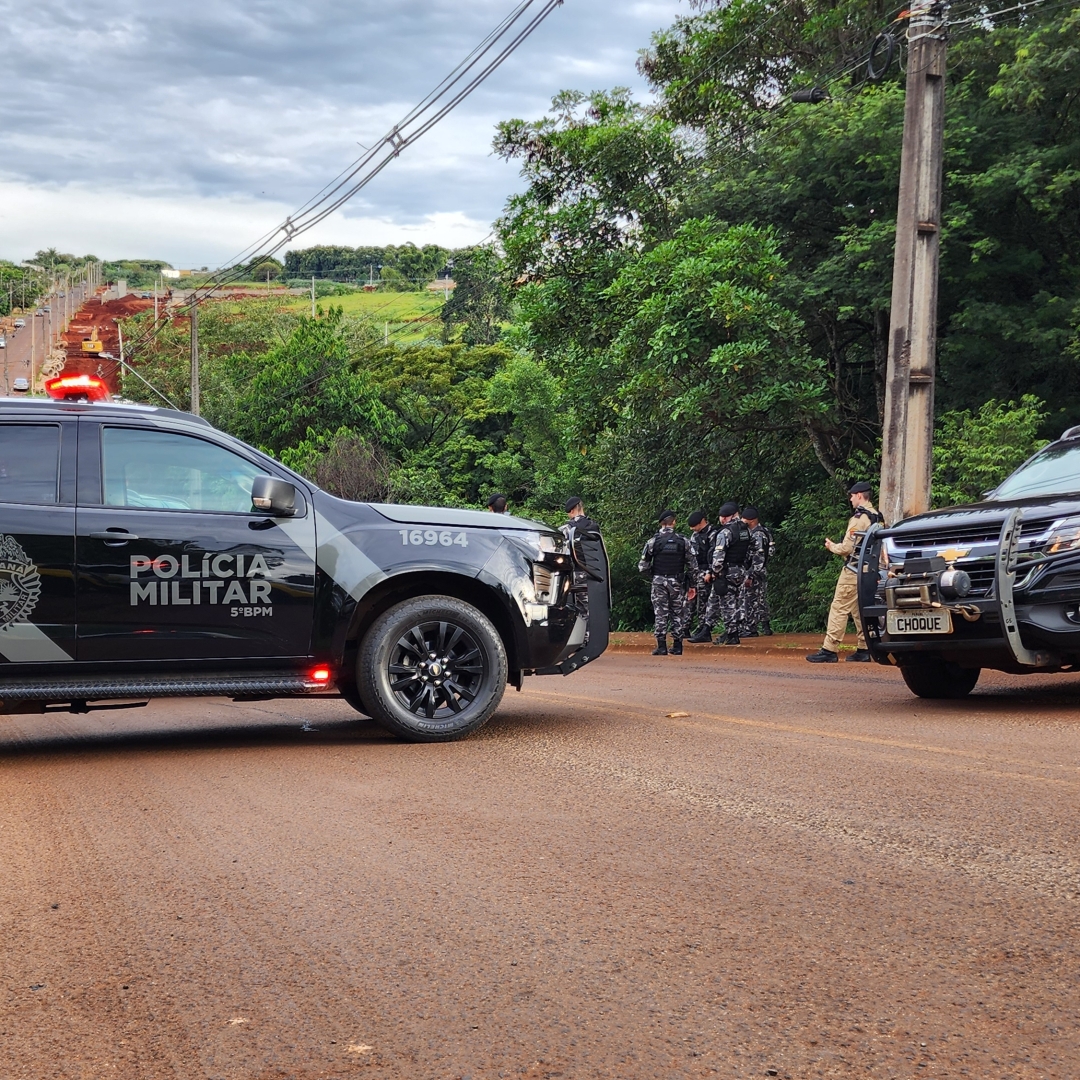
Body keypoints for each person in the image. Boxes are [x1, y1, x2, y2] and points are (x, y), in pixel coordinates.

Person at [806, 480, 882, 663]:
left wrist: (832, 546)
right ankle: (864, 648)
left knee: (839, 607)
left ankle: (829, 649)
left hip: (853, 569)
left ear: (859, 495)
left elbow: (847, 548)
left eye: (852, 495)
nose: (850, 499)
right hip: (869, 569)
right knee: (859, 610)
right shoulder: (877, 516)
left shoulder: (859, 518)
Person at [638, 509, 696, 656]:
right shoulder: (683, 541)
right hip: (677, 581)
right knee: (677, 613)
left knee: (660, 613)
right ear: (674, 522)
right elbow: (693, 566)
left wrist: (654, 575)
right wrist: (692, 584)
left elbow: (642, 566)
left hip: (659, 582)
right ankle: (677, 646)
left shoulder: (653, 542)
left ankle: (661, 646)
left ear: (661, 523)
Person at [705, 502, 752, 645]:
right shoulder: (746, 531)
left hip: (727, 572)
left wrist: (715, 572)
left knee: (727, 604)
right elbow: (751, 552)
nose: (721, 520)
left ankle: (732, 634)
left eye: (723, 517)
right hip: (741, 571)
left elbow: (718, 555)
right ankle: (736, 630)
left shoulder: (725, 532)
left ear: (727, 517)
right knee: (739, 602)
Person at [560, 496, 600, 624]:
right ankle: (592, 639)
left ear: (571, 511)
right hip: (595, 573)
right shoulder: (594, 526)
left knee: (578, 610)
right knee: (592, 608)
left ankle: (582, 640)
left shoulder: (566, 529)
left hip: (575, 573)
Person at [685, 510, 718, 643]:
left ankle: (705, 628)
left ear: (701, 522)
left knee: (707, 601)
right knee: (697, 601)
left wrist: (711, 571)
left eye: (694, 526)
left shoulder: (713, 533)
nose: (693, 529)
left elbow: (715, 554)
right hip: (698, 572)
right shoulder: (695, 535)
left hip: (709, 572)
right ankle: (699, 627)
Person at [737, 507, 769, 638]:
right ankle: (754, 626)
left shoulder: (758, 534)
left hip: (755, 571)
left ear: (751, 520)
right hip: (754, 570)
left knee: (751, 600)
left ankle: (751, 628)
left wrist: (750, 575)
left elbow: (758, 558)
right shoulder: (754, 532)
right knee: (755, 599)